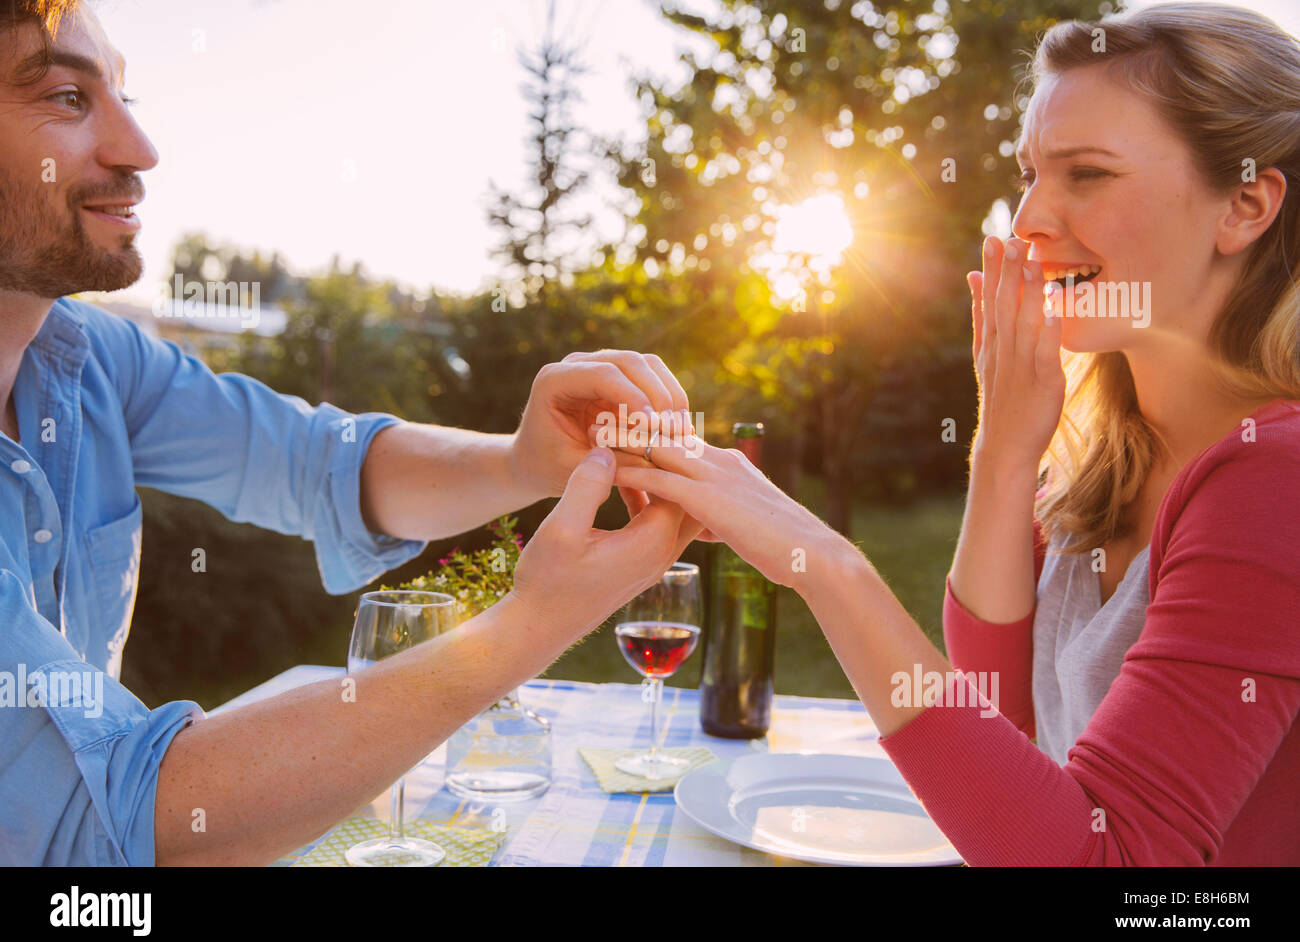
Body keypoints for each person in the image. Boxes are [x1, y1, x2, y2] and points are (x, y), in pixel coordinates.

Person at [0, 0, 703, 865]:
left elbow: (320, 464)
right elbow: (117, 821)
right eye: (68, 97)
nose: (139, 149)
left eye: (122, 94)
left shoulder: (88, 358)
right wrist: (531, 625)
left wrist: (527, 459)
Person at [617, 2, 1300, 865]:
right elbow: (1003, 742)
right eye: (1030, 174)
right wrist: (1004, 452)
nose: (1027, 223)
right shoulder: (1103, 464)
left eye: (1087, 173)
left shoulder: (1276, 476)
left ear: (1243, 204)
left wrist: (819, 563)